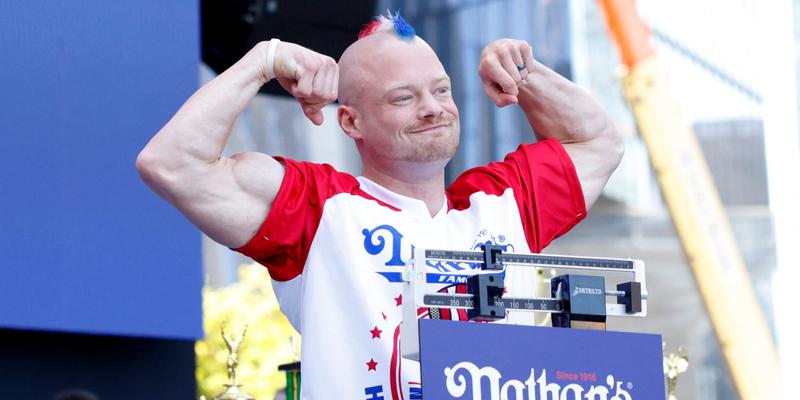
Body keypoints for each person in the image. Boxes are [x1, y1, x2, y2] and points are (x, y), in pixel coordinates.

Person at [136, 13, 623, 400]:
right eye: (403, 98)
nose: (432, 108)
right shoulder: (320, 207)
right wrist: (263, 61)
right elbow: (172, 164)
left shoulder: (497, 204)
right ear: (350, 122)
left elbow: (598, 142)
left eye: (441, 90)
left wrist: (527, 75)